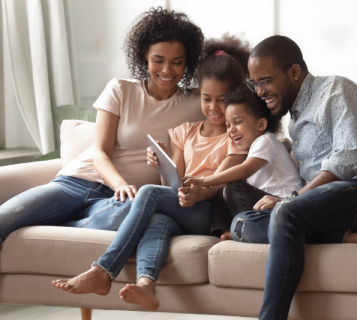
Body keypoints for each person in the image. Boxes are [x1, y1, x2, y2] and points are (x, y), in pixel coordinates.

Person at [52, 34, 251, 311]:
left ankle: (103, 270)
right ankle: (146, 284)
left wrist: (198, 191)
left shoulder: (236, 138)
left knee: (147, 193)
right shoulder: (185, 131)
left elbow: (221, 182)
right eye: (207, 99)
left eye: (223, 100)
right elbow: (171, 184)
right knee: (157, 221)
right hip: (181, 205)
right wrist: (161, 164)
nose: (214, 108)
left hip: (207, 210)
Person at [235, 35, 357, 320]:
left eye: (265, 81)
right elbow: (314, 195)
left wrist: (291, 201)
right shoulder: (295, 117)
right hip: (338, 203)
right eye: (254, 83)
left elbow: (348, 158)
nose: (259, 91)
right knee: (241, 224)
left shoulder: (335, 89)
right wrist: (288, 201)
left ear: (295, 71)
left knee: (285, 214)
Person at [0, 7, 206, 244]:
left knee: (130, 213)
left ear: (187, 62)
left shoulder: (198, 103)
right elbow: (100, 152)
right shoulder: (121, 89)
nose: (167, 70)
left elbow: (232, 94)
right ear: (144, 56)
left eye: (177, 62)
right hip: (76, 183)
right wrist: (120, 185)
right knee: (4, 218)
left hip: (119, 203)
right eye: (158, 60)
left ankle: (61, 226)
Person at [183, 85, 303, 241]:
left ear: (261, 125)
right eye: (228, 125)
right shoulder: (253, 149)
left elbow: (244, 170)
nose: (231, 130)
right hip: (265, 206)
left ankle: (247, 227)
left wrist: (204, 180)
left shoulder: (266, 141)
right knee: (225, 189)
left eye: (237, 122)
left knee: (234, 185)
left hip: (282, 206)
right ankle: (226, 230)